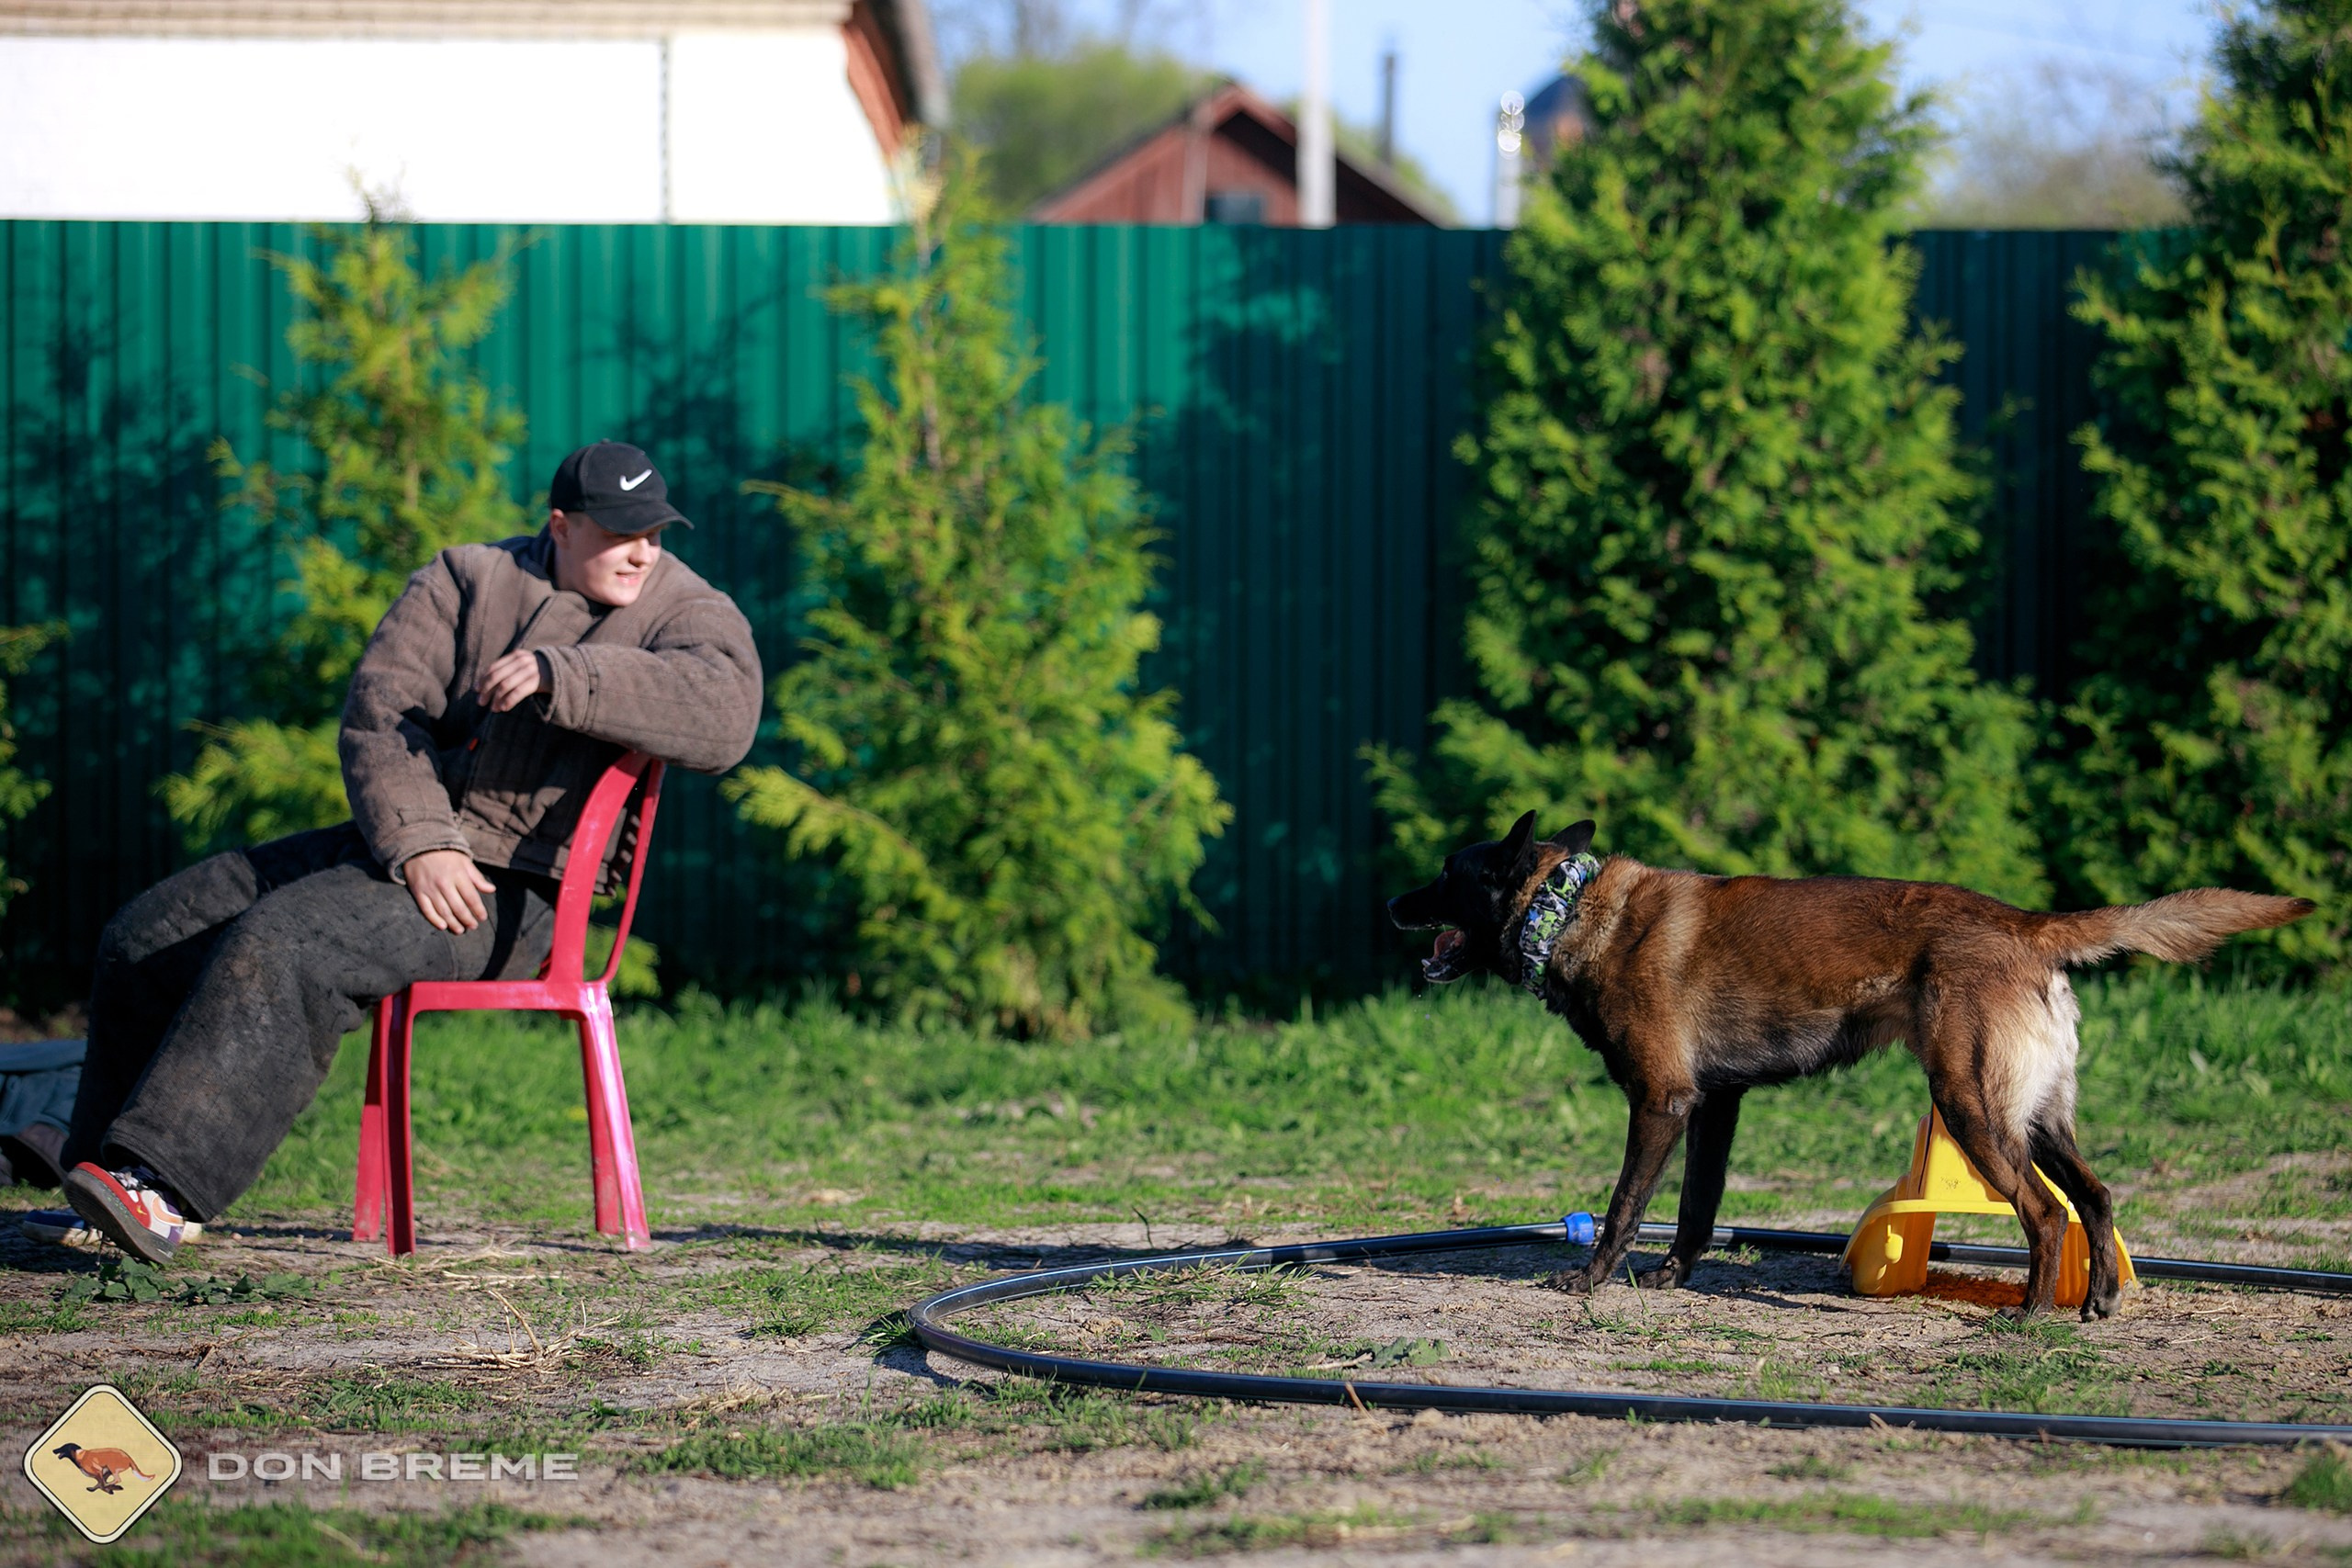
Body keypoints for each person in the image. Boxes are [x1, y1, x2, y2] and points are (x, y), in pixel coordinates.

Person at [34, 442, 762, 1263]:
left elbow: (726, 712)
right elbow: (382, 714)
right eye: (621, 532)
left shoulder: (685, 606)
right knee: (147, 929)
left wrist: (570, 674)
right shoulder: (464, 578)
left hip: (523, 897)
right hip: (408, 848)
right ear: (560, 524)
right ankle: (97, 1181)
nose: (643, 552)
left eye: (656, 533)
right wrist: (422, 840)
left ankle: (162, 1190)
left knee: (291, 938)